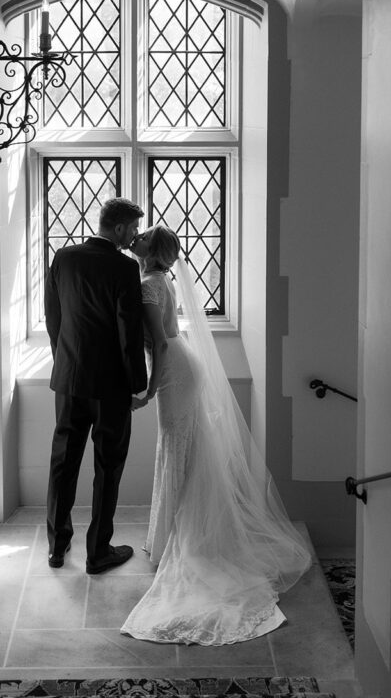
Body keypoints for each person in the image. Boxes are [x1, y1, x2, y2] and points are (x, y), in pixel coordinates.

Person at [122, 224, 312, 645]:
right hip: (180, 366)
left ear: (150, 250)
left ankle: (182, 537)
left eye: (139, 239)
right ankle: (170, 534)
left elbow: (160, 341)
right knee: (180, 448)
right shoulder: (159, 279)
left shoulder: (148, 286)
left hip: (174, 371)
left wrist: (149, 391)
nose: (132, 241)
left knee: (176, 448)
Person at [44, 197, 147, 575]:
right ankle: (98, 552)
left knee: (62, 462)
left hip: (69, 380)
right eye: (133, 228)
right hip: (111, 386)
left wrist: (65, 361)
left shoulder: (64, 257)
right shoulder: (124, 269)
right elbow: (128, 332)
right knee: (107, 467)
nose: (135, 235)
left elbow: (53, 316)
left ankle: (57, 548)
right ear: (118, 228)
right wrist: (138, 384)